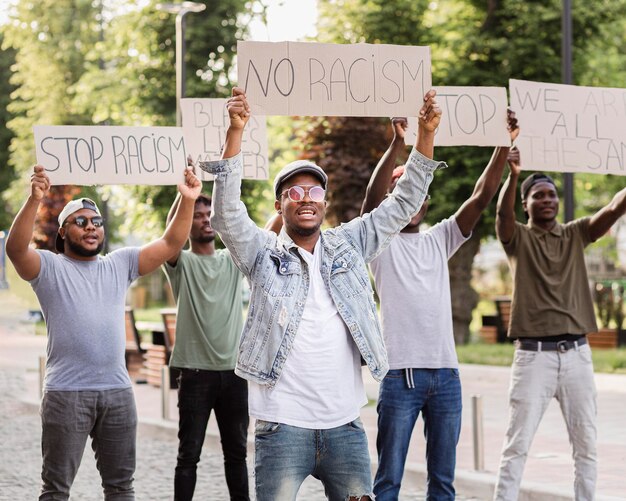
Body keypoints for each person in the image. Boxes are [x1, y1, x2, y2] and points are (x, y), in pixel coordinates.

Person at [198, 87, 445, 501]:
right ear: (280, 206)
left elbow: (402, 204)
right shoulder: (261, 253)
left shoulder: (350, 244)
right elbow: (226, 214)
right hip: (281, 427)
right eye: (294, 193)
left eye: (314, 192)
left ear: (325, 202)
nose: (306, 199)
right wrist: (235, 132)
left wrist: (425, 137)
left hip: (344, 427)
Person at [5, 165, 201, 500]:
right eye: (80, 222)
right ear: (63, 232)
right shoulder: (49, 268)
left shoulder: (119, 264)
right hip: (67, 394)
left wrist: (187, 199)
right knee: (55, 490)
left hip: (117, 393)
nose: (91, 227)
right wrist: (34, 199)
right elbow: (15, 250)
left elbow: (171, 242)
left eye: (96, 221)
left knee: (121, 487)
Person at [362, 111, 519, 500]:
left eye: (417, 192)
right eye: (401, 191)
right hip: (400, 376)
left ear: (427, 201)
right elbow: (369, 202)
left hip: (446, 376)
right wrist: (399, 145)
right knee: (388, 480)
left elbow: (482, 196)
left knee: (443, 483)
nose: (410, 198)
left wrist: (503, 143)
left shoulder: (440, 238)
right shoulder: (378, 241)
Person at [493, 148, 626, 500]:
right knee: (516, 446)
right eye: (539, 195)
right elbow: (502, 214)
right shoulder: (517, 239)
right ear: (527, 204)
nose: (548, 200)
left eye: (552, 194)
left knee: (586, 446)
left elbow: (613, 208)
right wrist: (514, 175)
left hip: (577, 357)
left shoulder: (576, 234)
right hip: (533, 358)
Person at [163, 191, 249, 501]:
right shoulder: (180, 261)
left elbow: (268, 230)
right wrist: (184, 195)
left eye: (208, 214)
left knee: (237, 455)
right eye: (197, 215)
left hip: (235, 374)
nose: (204, 219)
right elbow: (171, 229)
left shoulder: (232, 259)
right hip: (195, 374)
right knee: (188, 456)